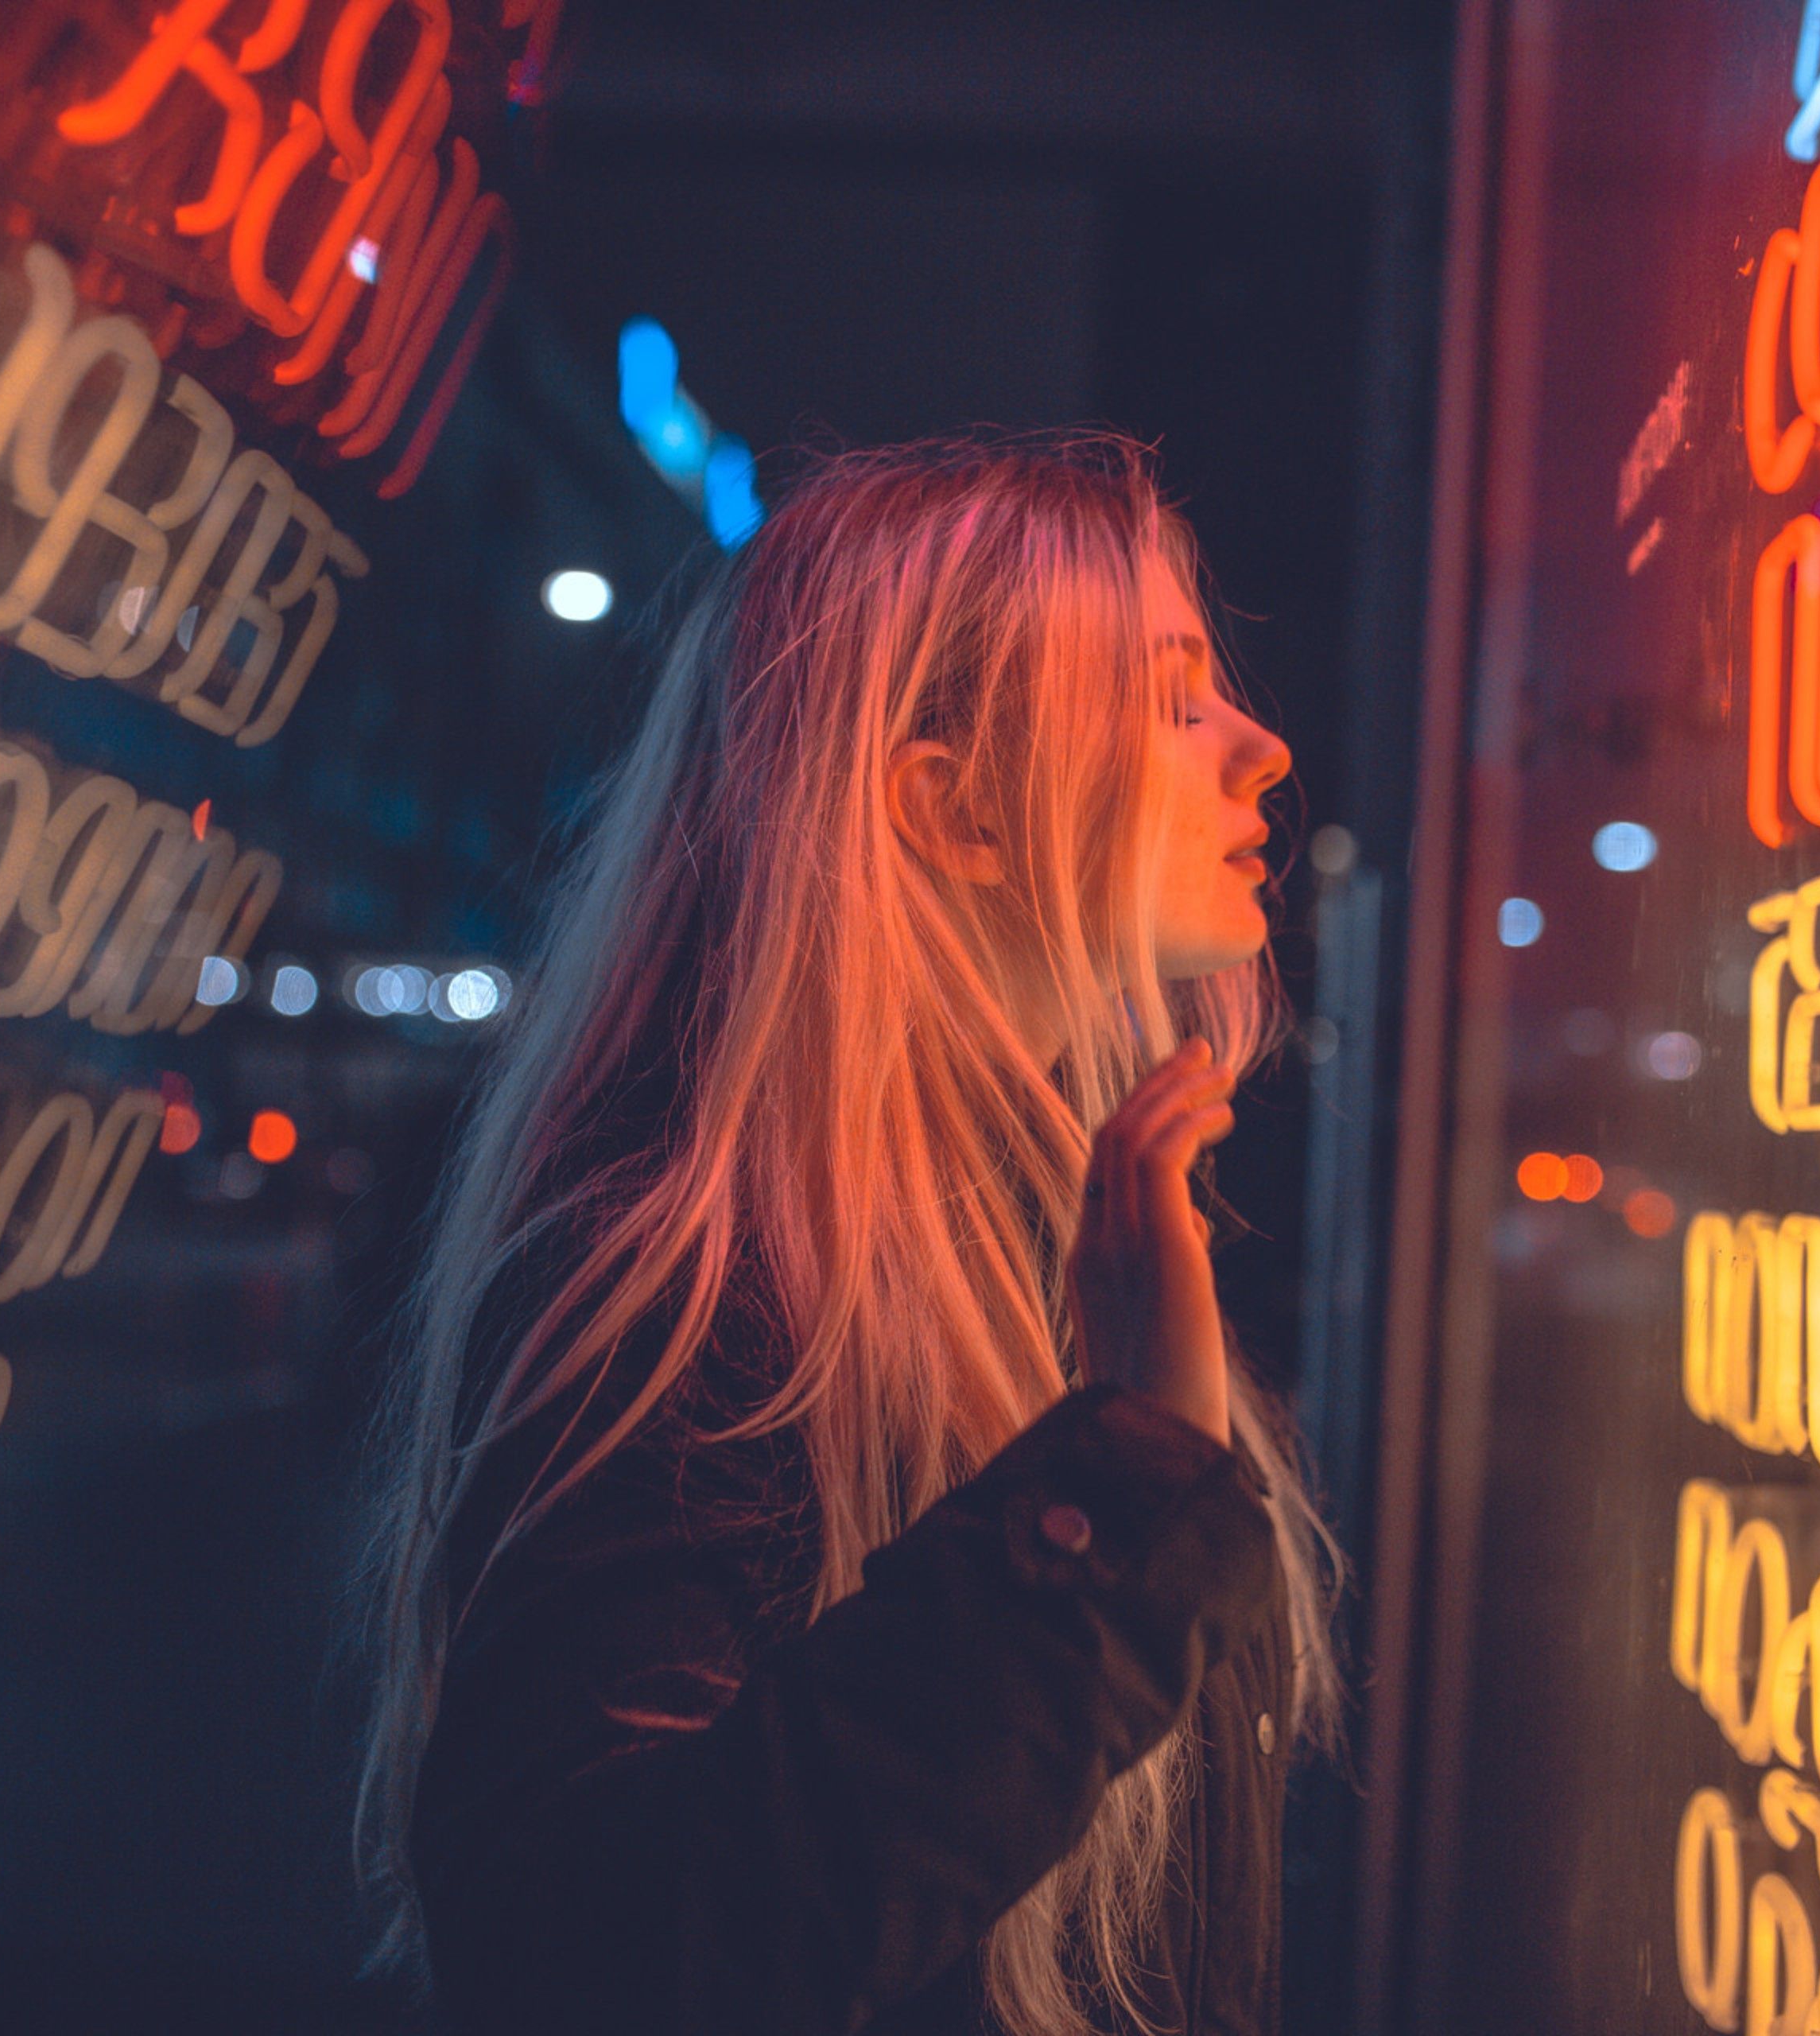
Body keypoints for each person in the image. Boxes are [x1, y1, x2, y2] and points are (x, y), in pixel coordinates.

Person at [353, 433, 1341, 2036]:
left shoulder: (1046, 1236)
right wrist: (1121, 1472)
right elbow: (585, 1954)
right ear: (951, 808)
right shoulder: (694, 1287)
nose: (1264, 747)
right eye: (1174, 699)